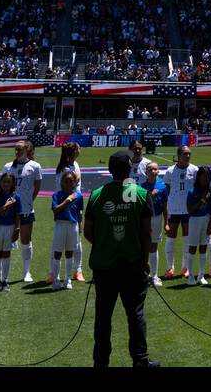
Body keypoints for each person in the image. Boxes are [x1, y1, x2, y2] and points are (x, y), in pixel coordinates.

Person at [84, 150, 157, 367]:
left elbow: (88, 231)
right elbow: (147, 234)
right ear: (130, 169)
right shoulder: (141, 194)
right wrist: (144, 261)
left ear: (110, 170)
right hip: (132, 265)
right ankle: (140, 360)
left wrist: (105, 244)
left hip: (104, 266)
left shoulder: (97, 194)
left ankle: (101, 362)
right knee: (135, 315)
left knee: (103, 317)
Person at [2, 140, 42, 283]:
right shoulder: (8, 166)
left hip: (26, 210)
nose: (17, 151)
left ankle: (26, 272)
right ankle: (3, 275)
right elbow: (3, 188)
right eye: (16, 149)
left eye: (20, 149)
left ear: (27, 149)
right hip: (9, 211)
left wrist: (28, 201)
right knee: (6, 242)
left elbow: (37, 187)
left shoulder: (35, 166)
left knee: (26, 240)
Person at [161, 146, 197, 279]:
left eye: (189, 154)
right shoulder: (170, 171)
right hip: (173, 209)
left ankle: (185, 268)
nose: (187, 156)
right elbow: (166, 190)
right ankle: (170, 268)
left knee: (187, 240)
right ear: (178, 155)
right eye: (185, 154)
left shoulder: (195, 170)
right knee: (171, 239)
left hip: (189, 210)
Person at [50, 169, 84, 289]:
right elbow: (55, 210)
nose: (69, 183)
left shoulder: (79, 196)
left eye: (71, 181)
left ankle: (67, 279)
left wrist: (80, 227)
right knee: (58, 252)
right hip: (60, 224)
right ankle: (56, 278)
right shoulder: (57, 195)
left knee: (70, 252)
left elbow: (79, 213)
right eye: (66, 181)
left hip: (72, 225)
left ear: (75, 182)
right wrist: (68, 200)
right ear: (62, 182)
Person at [0, 171, 20, 289]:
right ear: (0, 183)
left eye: (9, 182)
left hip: (10, 228)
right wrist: (4, 207)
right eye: (4, 181)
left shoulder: (16, 197)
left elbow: (17, 215)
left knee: (6, 253)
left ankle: (4, 279)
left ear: (13, 184)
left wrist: (17, 229)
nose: (6, 184)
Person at [140, 162, 167, 285]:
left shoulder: (162, 187)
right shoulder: (142, 187)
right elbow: (140, 206)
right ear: (146, 172)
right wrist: (150, 195)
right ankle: (143, 274)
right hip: (145, 219)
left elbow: (165, 206)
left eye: (155, 169)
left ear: (158, 171)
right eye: (150, 169)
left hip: (157, 218)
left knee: (154, 245)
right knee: (144, 245)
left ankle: (155, 275)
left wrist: (166, 222)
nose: (153, 171)